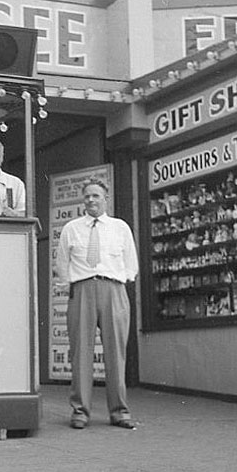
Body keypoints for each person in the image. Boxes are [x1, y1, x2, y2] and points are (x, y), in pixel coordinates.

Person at [55, 178, 139, 430]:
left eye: (96, 196)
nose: (91, 200)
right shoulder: (72, 228)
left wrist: (120, 281)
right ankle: (80, 411)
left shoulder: (119, 227)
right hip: (82, 289)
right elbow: (61, 263)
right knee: (81, 351)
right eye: (87, 196)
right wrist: (72, 284)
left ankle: (119, 411)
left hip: (114, 289)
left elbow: (130, 262)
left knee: (115, 353)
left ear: (106, 199)